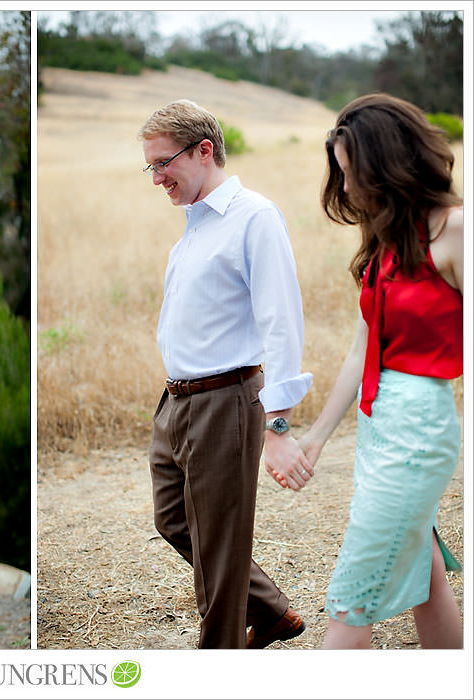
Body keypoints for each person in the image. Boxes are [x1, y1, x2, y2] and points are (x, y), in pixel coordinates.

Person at [286, 93, 463, 649]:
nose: (349, 189)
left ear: (390, 161)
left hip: (420, 426)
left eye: (353, 173)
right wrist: (315, 439)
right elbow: (363, 352)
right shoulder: (387, 240)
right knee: (425, 571)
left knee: (350, 599)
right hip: (379, 424)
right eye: (341, 175)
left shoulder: (457, 230)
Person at [139, 99, 315, 649]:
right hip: (177, 402)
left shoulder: (254, 217)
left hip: (227, 399)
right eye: (149, 167)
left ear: (204, 150)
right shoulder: (192, 227)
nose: (156, 178)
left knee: (218, 546)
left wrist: (278, 424)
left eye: (162, 164)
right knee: (173, 520)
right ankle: (270, 611)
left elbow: (282, 322)